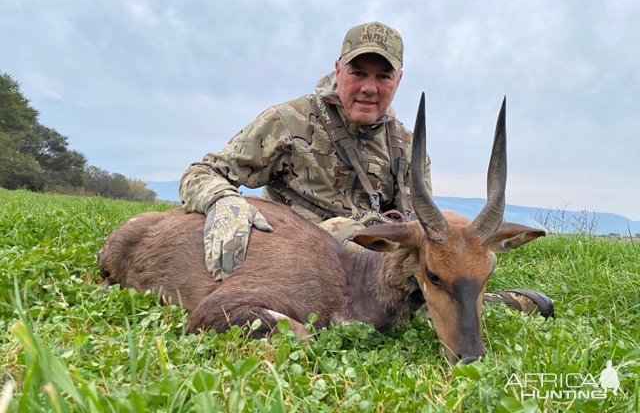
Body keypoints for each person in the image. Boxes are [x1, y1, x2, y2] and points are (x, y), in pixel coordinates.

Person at [179, 21, 554, 317]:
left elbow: (418, 232)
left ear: (398, 80)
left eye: (383, 77)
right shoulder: (287, 122)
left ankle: (459, 304)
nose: (369, 88)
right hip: (298, 263)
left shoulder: (408, 147)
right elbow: (201, 173)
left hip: (373, 267)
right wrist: (222, 201)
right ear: (338, 70)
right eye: (359, 73)